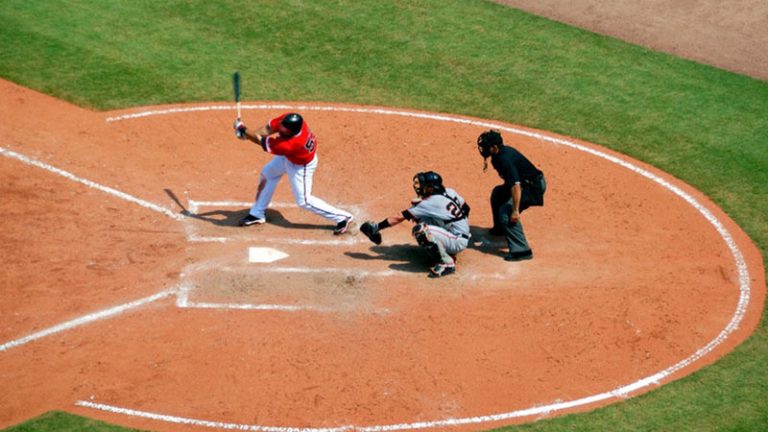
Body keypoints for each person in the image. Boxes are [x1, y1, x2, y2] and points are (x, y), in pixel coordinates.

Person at [233, 112, 353, 234]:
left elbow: (262, 142)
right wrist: (248, 135)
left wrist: (242, 129)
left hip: (301, 166)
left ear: (292, 131)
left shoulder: (292, 144)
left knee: (304, 201)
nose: (281, 128)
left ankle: (343, 218)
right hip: (289, 158)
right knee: (268, 174)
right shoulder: (290, 120)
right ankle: (257, 213)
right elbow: (268, 129)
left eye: (284, 128)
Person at [359, 171, 471, 278]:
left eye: (424, 185)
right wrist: (457, 224)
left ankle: (447, 263)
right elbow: (466, 208)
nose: (420, 187)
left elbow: (400, 217)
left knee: (421, 230)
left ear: (431, 188)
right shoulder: (449, 191)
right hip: (459, 234)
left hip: (457, 241)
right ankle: (447, 246)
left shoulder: (431, 202)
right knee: (420, 217)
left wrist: (377, 227)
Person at [476, 130, 546, 261]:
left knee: (506, 213)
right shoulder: (497, 156)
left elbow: (516, 185)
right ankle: (500, 229)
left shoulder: (504, 159)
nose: (483, 149)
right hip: (524, 184)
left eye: (486, 146)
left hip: (532, 187)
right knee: (498, 194)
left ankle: (522, 250)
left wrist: (515, 210)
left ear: (495, 147)